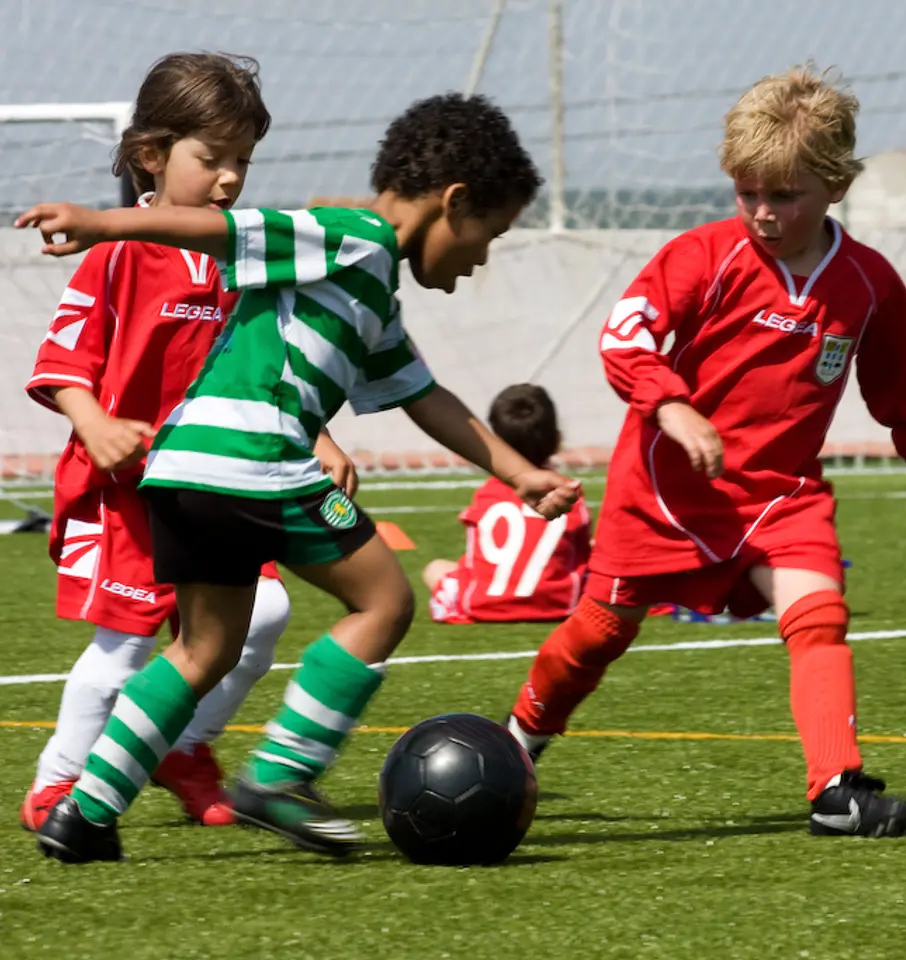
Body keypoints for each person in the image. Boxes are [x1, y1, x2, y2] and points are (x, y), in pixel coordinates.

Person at [18, 91, 582, 864]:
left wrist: (519, 472)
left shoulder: (371, 287)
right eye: (490, 234)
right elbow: (221, 228)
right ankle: (281, 778)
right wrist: (100, 222)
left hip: (185, 466)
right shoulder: (350, 236)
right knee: (383, 601)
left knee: (201, 651)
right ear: (454, 202)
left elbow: (424, 396)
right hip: (256, 462)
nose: (482, 257)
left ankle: (83, 814)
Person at [503, 66, 906, 838]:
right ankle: (518, 744)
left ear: (836, 187)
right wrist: (672, 404)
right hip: (665, 491)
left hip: (781, 493)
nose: (765, 213)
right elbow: (625, 336)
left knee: (819, 616)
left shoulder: (869, 283)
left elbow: (902, 367)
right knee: (600, 633)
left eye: (786, 195)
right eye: (749, 194)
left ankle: (837, 791)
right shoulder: (702, 257)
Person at [17, 52, 358, 832]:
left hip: (216, 482)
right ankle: (58, 781)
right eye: (211, 159)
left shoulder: (244, 258)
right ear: (151, 156)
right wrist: (93, 421)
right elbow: (62, 361)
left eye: (242, 160)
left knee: (264, 613)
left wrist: (322, 433)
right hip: (128, 493)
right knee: (125, 644)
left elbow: (265, 366)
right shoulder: (115, 255)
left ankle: (186, 748)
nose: (230, 178)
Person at [425, 383, 591, 624]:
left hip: (483, 605)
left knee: (435, 567)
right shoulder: (567, 491)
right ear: (556, 438)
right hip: (557, 605)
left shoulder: (487, 493)